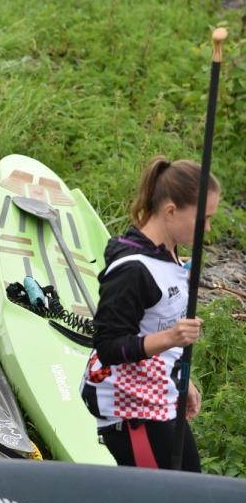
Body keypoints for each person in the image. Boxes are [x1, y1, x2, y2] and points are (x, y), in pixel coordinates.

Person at [80, 157, 220, 471]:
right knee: (167, 499)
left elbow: (155, 321)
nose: (208, 229)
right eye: (203, 219)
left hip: (158, 393)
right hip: (130, 409)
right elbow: (109, 346)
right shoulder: (132, 270)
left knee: (189, 484)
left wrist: (181, 378)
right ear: (170, 211)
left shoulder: (168, 252)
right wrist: (172, 337)